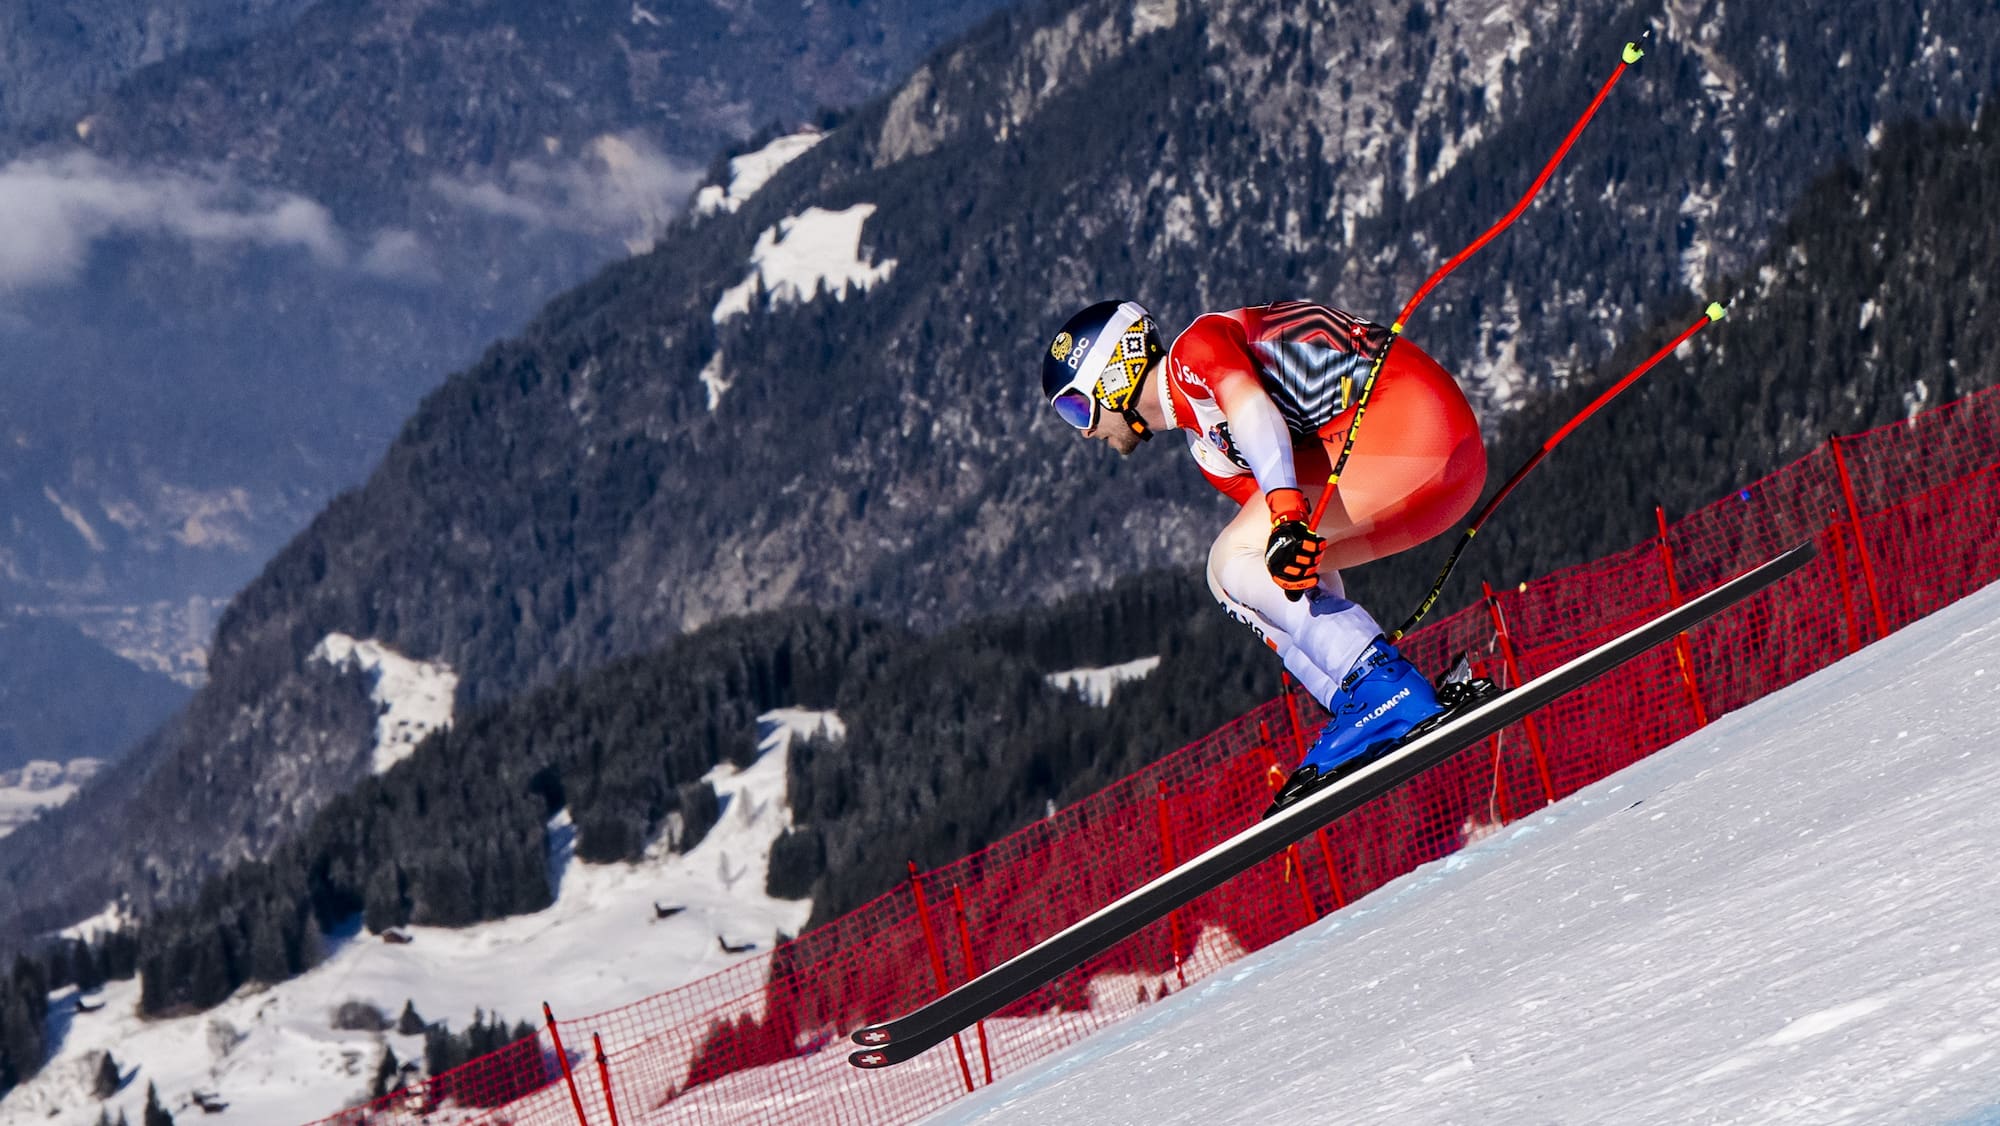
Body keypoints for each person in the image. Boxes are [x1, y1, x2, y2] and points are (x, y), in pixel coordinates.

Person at [1042, 299, 1487, 795]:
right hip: (1441, 475)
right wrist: (1289, 529)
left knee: (1231, 557)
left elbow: (1253, 409)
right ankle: (1356, 699)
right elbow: (1293, 555)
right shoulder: (1207, 449)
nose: (1084, 431)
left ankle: (1382, 685)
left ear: (1115, 374)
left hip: (1416, 422)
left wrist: (1287, 515)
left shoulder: (1196, 350)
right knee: (1234, 575)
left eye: (1076, 407)